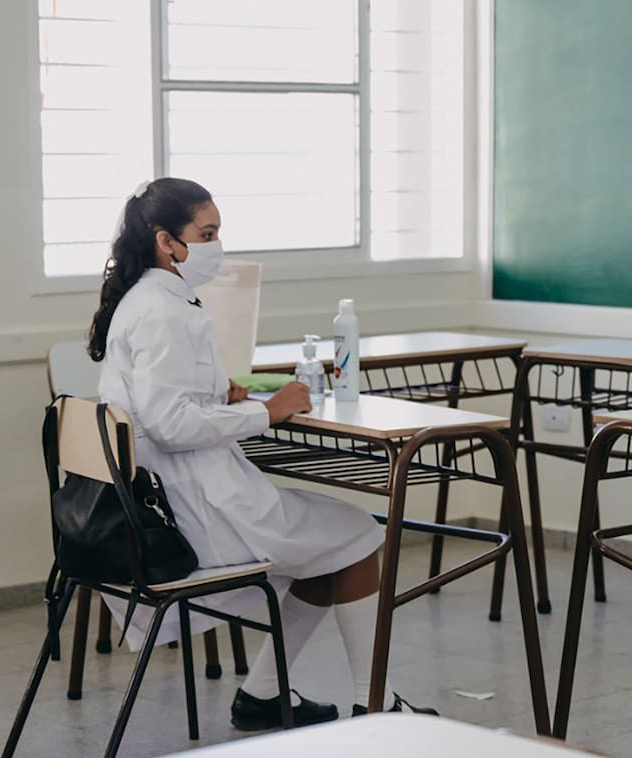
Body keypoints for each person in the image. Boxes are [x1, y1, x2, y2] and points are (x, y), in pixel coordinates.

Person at [91, 177, 436, 729]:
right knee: (358, 534)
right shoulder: (165, 311)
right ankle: (375, 704)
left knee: (331, 546)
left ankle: (263, 695)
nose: (216, 244)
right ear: (167, 242)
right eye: (206, 233)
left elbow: (160, 405)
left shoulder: (146, 300)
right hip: (195, 517)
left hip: (166, 502)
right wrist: (268, 411)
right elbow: (170, 423)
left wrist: (217, 395)